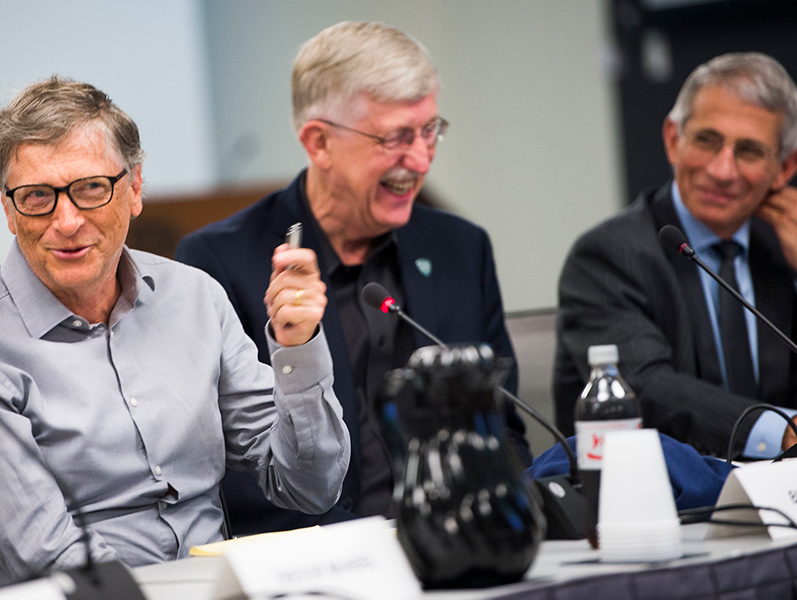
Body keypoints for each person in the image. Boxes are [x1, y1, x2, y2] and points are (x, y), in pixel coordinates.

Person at [0, 77, 350, 588]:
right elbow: (49, 556)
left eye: (91, 188)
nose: (66, 221)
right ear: (8, 209)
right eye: (36, 197)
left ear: (134, 188)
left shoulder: (194, 298)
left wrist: (297, 352)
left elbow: (310, 488)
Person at [175, 21, 529, 536]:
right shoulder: (222, 260)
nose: (420, 158)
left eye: (430, 130)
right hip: (310, 561)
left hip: (462, 547)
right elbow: (230, 466)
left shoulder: (460, 248)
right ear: (319, 143)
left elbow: (504, 429)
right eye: (395, 137)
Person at [554, 52, 797, 458]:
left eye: (749, 151)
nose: (723, 170)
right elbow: (646, 388)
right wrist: (783, 431)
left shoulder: (781, 249)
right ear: (673, 139)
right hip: (660, 501)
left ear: (784, 168)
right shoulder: (608, 254)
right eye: (707, 140)